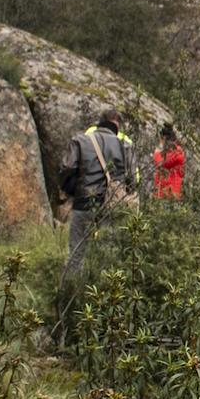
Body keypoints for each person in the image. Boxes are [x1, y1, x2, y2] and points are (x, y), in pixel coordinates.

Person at [57, 108, 137, 276]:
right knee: (107, 255)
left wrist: (71, 190)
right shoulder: (125, 146)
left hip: (83, 204)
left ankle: (72, 295)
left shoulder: (80, 141)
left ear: (100, 122)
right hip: (111, 207)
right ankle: (102, 295)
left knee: (76, 254)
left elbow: (67, 168)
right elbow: (132, 181)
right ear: (117, 124)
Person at [151, 124, 186, 200]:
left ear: (164, 138)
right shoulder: (173, 151)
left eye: (161, 139)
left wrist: (157, 152)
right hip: (164, 192)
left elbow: (161, 163)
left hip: (169, 193)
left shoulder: (177, 151)